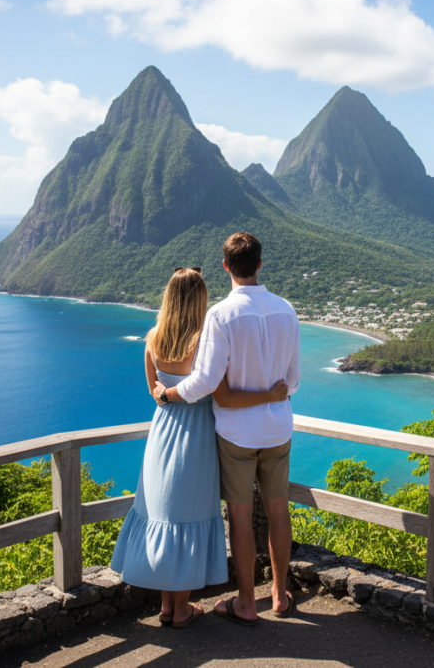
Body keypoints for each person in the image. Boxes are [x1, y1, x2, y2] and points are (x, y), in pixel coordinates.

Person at [110, 267, 289, 628]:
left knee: (162, 512)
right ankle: (180, 610)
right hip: (198, 437)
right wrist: (270, 395)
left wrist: (167, 392)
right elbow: (214, 390)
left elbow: (156, 395)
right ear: (200, 299)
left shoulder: (152, 338)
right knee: (187, 516)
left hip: (162, 435)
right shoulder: (202, 341)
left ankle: (166, 607)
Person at [154, 233, 301, 626]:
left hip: (236, 434)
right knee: (278, 510)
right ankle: (280, 596)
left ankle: (247, 603)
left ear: (225, 267)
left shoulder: (220, 315)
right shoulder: (287, 310)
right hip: (278, 430)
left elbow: (203, 383)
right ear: (258, 264)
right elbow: (294, 381)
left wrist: (168, 393)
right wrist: (270, 394)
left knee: (238, 516)